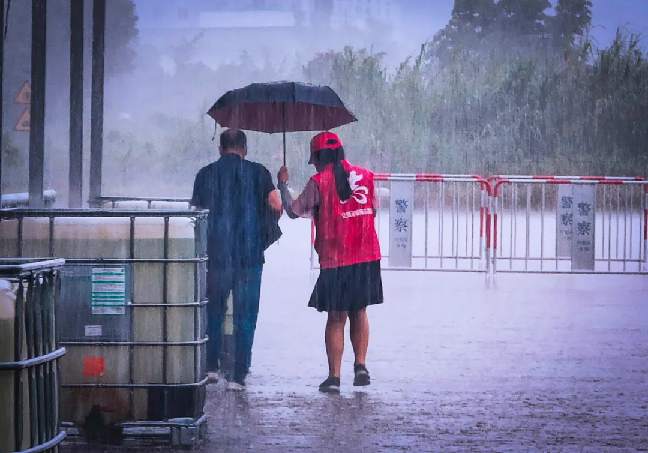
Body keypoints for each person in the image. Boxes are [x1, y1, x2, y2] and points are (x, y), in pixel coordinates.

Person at [277, 131, 383, 393]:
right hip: (367, 255)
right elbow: (374, 209)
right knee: (359, 310)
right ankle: (360, 365)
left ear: (317, 157)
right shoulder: (367, 177)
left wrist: (282, 184)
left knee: (337, 317)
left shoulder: (319, 182)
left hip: (336, 259)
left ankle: (334, 378)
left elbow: (293, 211)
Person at [191, 128, 282, 391]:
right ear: (245, 149)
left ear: (220, 149)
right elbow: (276, 205)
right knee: (245, 315)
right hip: (249, 255)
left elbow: (195, 214)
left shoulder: (205, 174)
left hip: (216, 254)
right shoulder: (259, 173)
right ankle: (238, 375)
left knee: (213, 311)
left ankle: (210, 368)